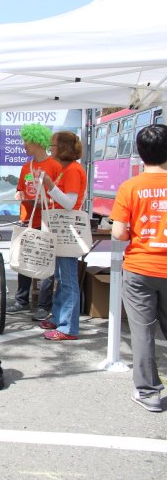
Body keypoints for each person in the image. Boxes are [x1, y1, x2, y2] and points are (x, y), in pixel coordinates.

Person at [110, 124, 167, 413]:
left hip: (140, 268)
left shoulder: (130, 187)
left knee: (143, 333)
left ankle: (149, 393)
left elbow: (119, 233)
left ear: (140, 153)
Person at [6, 123, 61, 320]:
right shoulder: (26, 166)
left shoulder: (54, 166)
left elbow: (59, 195)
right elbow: (20, 189)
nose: (23, 145)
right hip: (26, 220)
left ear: (37, 141)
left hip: (47, 222)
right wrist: (19, 194)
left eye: (26, 141)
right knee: (24, 260)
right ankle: (22, 300)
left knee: (45, 263)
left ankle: (43, 305)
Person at [38, 131, 87, 340]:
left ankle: (68, 327)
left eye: (54, 146)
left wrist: (49, 185)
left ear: (65, 148)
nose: (51, 150)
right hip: (63, 229)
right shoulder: (68, 169)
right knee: (62, 277)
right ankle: (60, 319)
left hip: (67, 229)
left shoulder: (73, 170)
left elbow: (68, 203)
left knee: (67, 279)